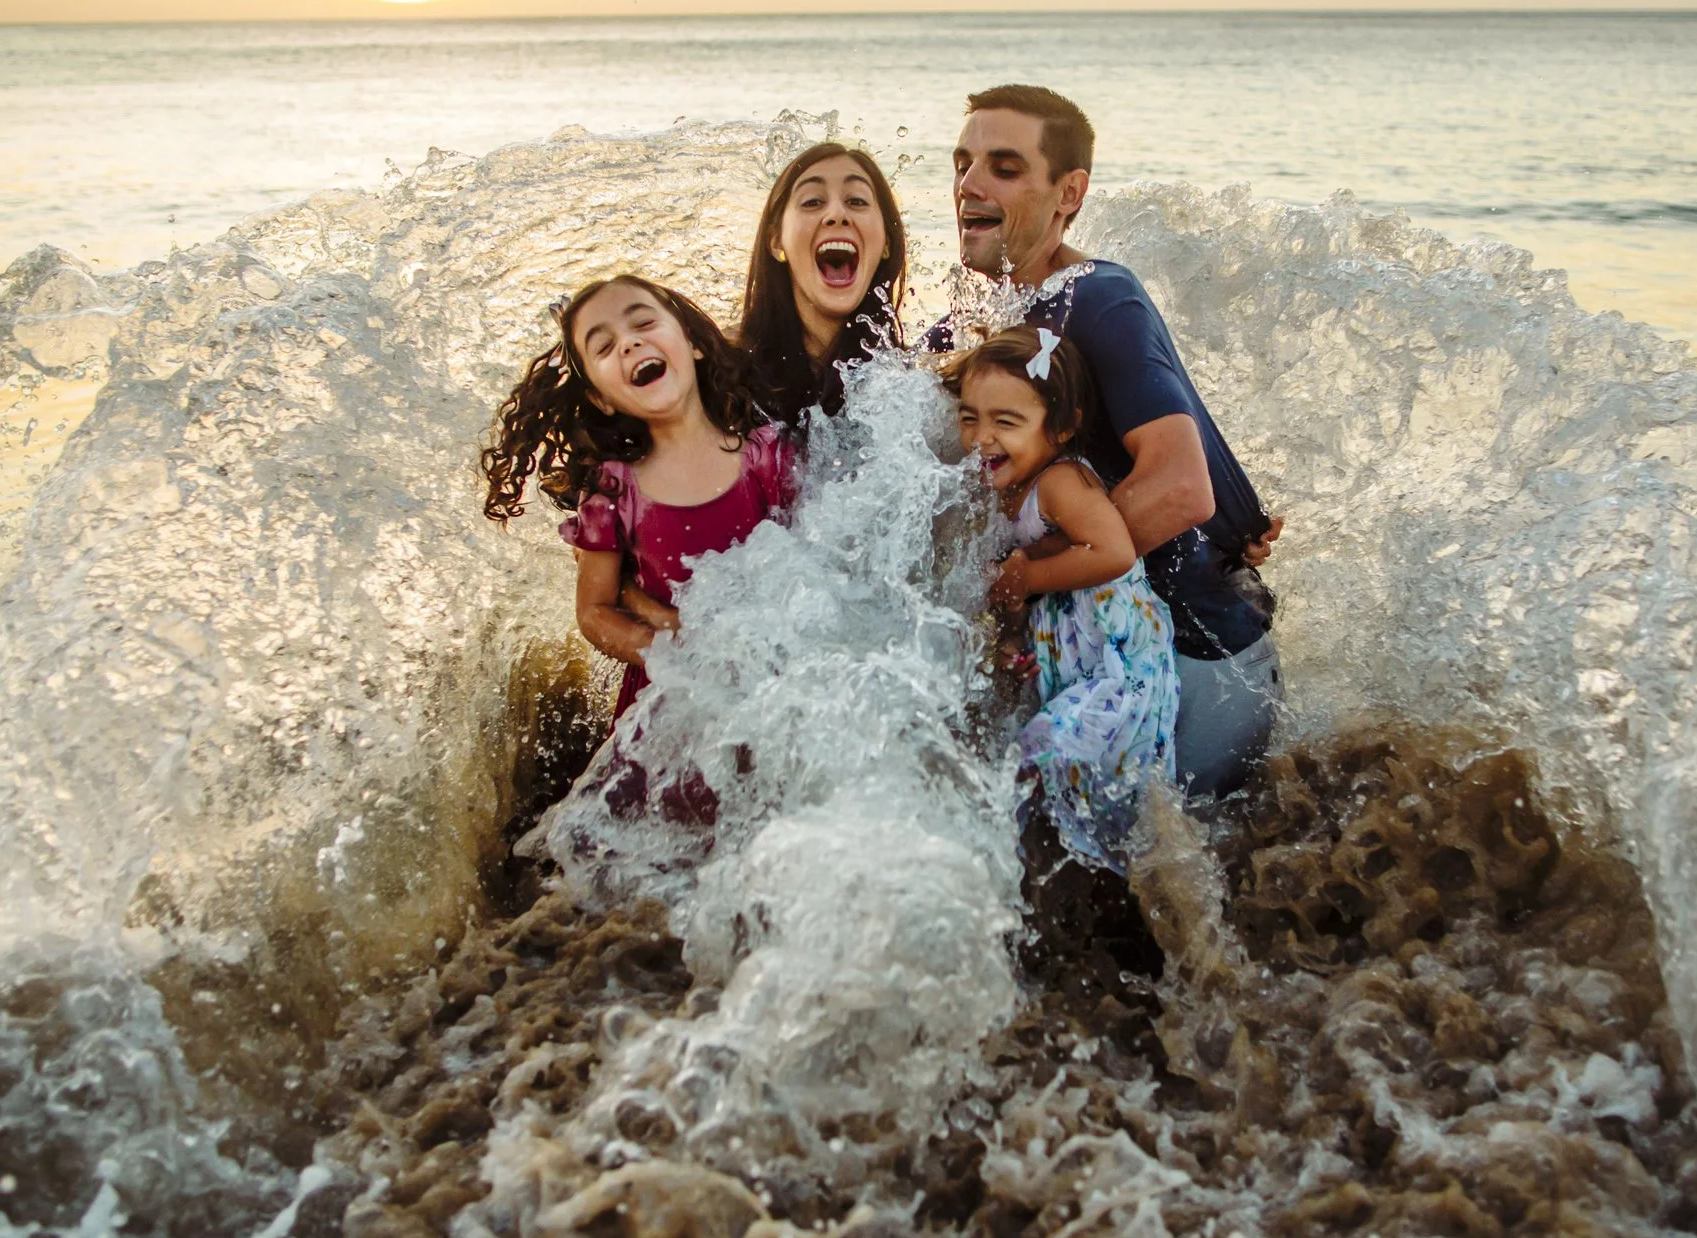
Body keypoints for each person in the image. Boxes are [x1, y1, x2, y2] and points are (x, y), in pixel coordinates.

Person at [944, 84, 1285, 798]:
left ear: (1069, 192)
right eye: (962, 162)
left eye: (1004, 167)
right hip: (1116, 655)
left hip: (1199, 661)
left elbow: (1181, 488)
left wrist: (1023, 577)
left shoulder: (1097, 295)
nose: (968, 184)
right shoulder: (996, 319)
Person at [480, 275, 799, 724]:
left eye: (643, 323)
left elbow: (812, 563)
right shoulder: (613, 489)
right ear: (600, 398)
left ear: (693, 344)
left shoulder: (766, 456)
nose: (629, 344)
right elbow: (594, 610)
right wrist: (667, 656)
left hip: (772, 681)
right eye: (604, 347)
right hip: (668, 703)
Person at [950, 325, 1180, 872]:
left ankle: (996, 878)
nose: (981, 438)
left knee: (1035, 760)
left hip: (1122, 670)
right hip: (1078, 669)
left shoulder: (1061, 481)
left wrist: (1027, 579)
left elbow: (1114, 552)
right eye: (969, 417)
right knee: (1081, 808)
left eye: (1006, 422)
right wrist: (1012, 633)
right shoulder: (1005, 493)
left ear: (1061, 428)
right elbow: (1022, 592)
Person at [736, 142, 909, 421]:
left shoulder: (912, 385)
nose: (837, 214)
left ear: (886, 241)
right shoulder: (727, 375)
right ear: (776, 240)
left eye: (856, 201)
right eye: (812, 202)